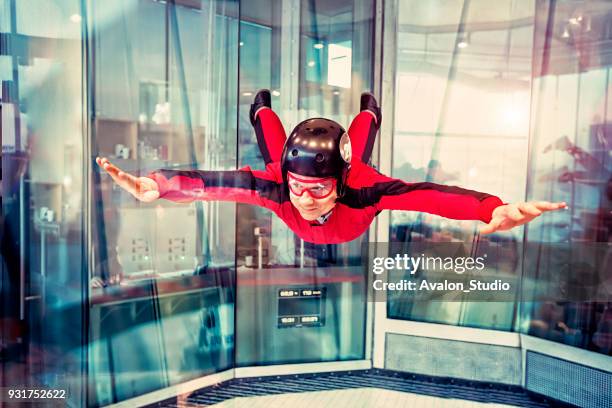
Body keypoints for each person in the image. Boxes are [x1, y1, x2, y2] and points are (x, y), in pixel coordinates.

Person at [96, 91, 566, 244]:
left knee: (357, 148)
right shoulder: (282, 188)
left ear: (339, 185)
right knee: (271, 155)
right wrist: (158, 185)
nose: (304, 198)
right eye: (299, 187)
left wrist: (490, 210)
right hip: (296, 197)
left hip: (350, 225)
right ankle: (260, 108)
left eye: (318, 189)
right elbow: (217, 184)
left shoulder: (363, 187)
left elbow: (428, 195)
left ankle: (371, 112)